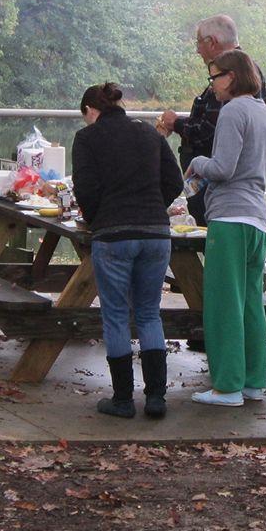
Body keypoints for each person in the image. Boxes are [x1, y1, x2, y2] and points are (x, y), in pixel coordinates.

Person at [72, 82, 183, 419]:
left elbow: (86, 189)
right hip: (156, 234)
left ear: (91, 110)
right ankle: (156, 399)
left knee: (117, 316)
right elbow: (175, 182)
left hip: (114, 235)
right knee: (149, 313)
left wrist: (97, 219)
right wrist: (152, 209)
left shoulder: (87, 139)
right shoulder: (150, 136)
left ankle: (122, 400)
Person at [186, 50, 266, 407]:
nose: (212, 86)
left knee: (224, 304)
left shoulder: (233, 111)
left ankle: (226, 387)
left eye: (215, 77)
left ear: (232, 77)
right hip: (257, 220)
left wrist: (196, 162)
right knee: (251, 304)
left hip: (229, 219)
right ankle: (254, 381)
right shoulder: (264, 112)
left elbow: (222, 168)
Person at [158, 15, 266, 226]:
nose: (197, 50)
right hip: (244, 207)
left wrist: (177, 125)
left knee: (216, 249)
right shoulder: (256, 108)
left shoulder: (234, 104)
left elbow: (210, 132)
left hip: (226, 203)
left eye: (198, 42)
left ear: (212, 42)